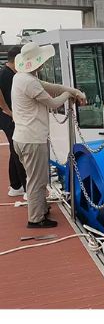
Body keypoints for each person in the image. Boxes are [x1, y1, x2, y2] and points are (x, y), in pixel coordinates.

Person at [12, 42, 86, 229]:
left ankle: (41, 208)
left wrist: (74, 91)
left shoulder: (21, 77)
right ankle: (36, 218)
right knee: (37, 180)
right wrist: (69, 95)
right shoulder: (29, 82)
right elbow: (53, 103)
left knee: (35, 177)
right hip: (32, 139)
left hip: (22, 137)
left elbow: (52, 87)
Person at [0, 45, 28, 196]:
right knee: (18, 151)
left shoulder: (11, 74)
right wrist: (8, 111)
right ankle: (26, 188)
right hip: (8, 117)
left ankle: (16, 186)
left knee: (14, 150)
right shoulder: (5, 74)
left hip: (9, 116)